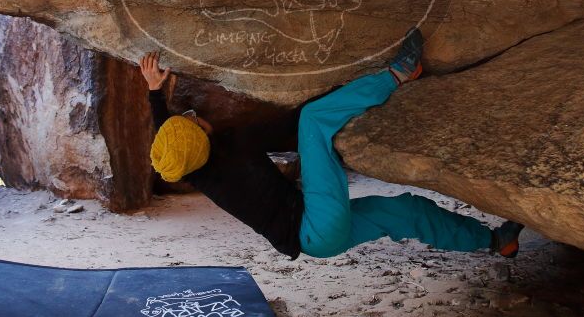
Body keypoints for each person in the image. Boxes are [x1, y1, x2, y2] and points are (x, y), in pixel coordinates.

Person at [140, 29, 524, 261]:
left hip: (320, 242)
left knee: (407, 213)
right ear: (199, 138)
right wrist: (330, 95)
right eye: (191, 122)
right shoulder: (235, 146)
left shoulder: (193, 167)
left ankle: (496, 242)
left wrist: (155, 92)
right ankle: (399, 74)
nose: (192, 116)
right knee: (313, 121)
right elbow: (294, 123)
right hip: (314, 225)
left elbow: (170, 146)